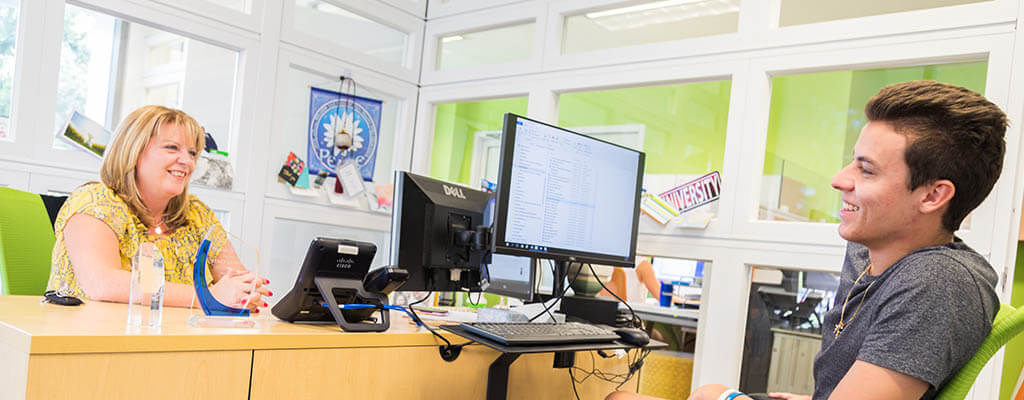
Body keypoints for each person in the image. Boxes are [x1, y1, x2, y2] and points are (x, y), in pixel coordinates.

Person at [607, 80, 1006, 400]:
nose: (840, 179)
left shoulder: (937, 283)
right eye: (853, 160)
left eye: (866, 171)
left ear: (933, 196)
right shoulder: (871, 248)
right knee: (706, 391)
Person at [46, 105, 270, 311]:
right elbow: (102, 284)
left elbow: (237, 281)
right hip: (89, 342)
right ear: (133, 152)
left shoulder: (197, 214)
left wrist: (245, 291)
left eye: (192, 153)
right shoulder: (95, 200)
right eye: (172, 148)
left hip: (173, 341)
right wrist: (207, 296)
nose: (187, 161)